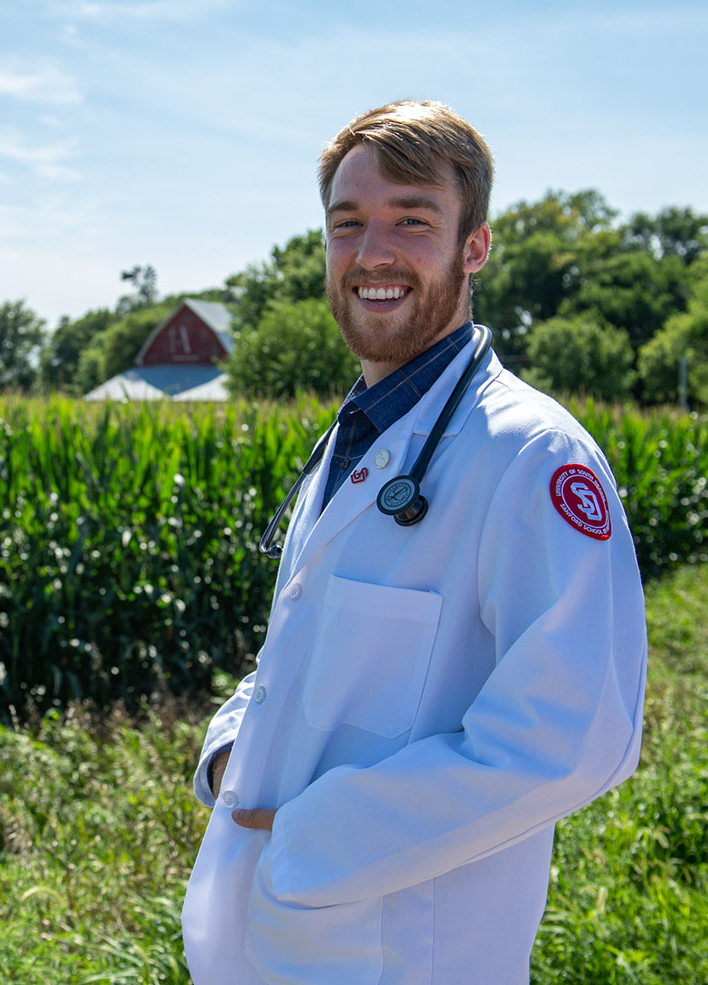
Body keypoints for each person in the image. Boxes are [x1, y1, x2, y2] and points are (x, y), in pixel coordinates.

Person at [181, 100, 647, 985]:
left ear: (474, 247)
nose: (373, 253)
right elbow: (314, 650)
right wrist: (234, 747)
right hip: (275, 943)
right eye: (347, 223)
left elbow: (577, 732)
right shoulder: (361, 435)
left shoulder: (530, 455)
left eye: (413, 220)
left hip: (402, 950)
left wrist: (316, 839)